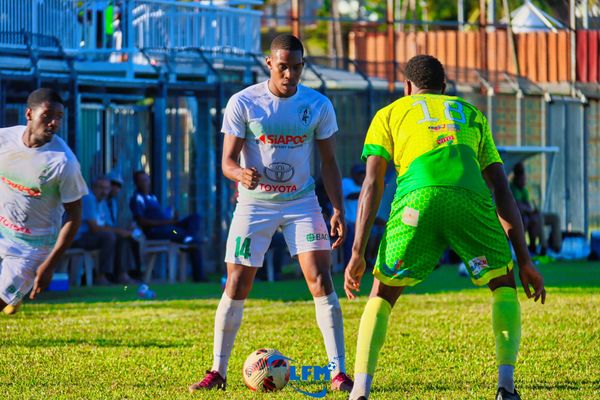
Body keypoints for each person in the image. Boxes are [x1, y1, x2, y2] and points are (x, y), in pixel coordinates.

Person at [344, 55, 546, 400]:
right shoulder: (470, 113)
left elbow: (372, 184)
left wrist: (357, 251)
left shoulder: (390, 113)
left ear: (407, 87)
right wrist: (525, 259)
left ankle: (360, 391)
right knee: (502, 285)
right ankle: (506, 388)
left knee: (382, 293)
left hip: (415, 204)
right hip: (469, 201)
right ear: (445, 87)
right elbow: (501, 187)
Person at [189, 34, 353, 393]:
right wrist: (240, 173)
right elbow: (227, 162)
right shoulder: (244, 102)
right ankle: (218, 371)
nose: (289, 74)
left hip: (302, 203)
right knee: (237, 283)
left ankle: (339, 372)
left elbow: (328, 163)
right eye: (283, 66)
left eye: (296, 67)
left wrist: (337, 207)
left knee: (321, 280)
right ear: (269, 64)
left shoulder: (318, 105)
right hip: (254, 204)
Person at [0, 88, 88, 314]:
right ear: (29, 114)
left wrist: (50, 263)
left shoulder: (64, 163)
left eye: (59, 117)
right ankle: (16, 293)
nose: (53, 123)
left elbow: (75, 216)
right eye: (47, 115)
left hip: (33, 248)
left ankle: (14, 290)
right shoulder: (4, 140)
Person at [129, 170, 206, 282]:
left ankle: (190, 238)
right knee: (191, 239)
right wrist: (167, 222)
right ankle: (190, 241)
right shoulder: (137, 198)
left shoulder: (152, 197)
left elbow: (160, 216)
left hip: (169, 226)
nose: (146, 182)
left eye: (147, 179)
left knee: (195, 218)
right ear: (137, 183)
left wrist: (170, 216)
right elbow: (142, 222)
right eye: (142, 180)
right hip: (156, 231)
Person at [72, 176, 134, 284]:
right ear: (94, 187)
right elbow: (94, 228)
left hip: (93, 236)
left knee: (122, 237)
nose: (104, 191)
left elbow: (108, 225)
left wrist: (122, 232)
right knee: (109, 236)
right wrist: (118, 231)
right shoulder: (88, 198)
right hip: (78, 238)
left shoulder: (103, 202)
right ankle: (101, 276)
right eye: (101, 188)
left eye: (107, 188)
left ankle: (122, 274)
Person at [510, 162, 561, 254]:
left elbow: (528, 206)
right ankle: (543, 247)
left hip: (531, 215)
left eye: (524, 176)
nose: (524, 180)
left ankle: (557, 247)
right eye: (522, 177)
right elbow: (519, 207)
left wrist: (531, 209)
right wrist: (530, 210)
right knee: (536, 218)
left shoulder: (524, 190)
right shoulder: (513, 188)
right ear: (516, 178)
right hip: (523, 218)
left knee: (555, 217)